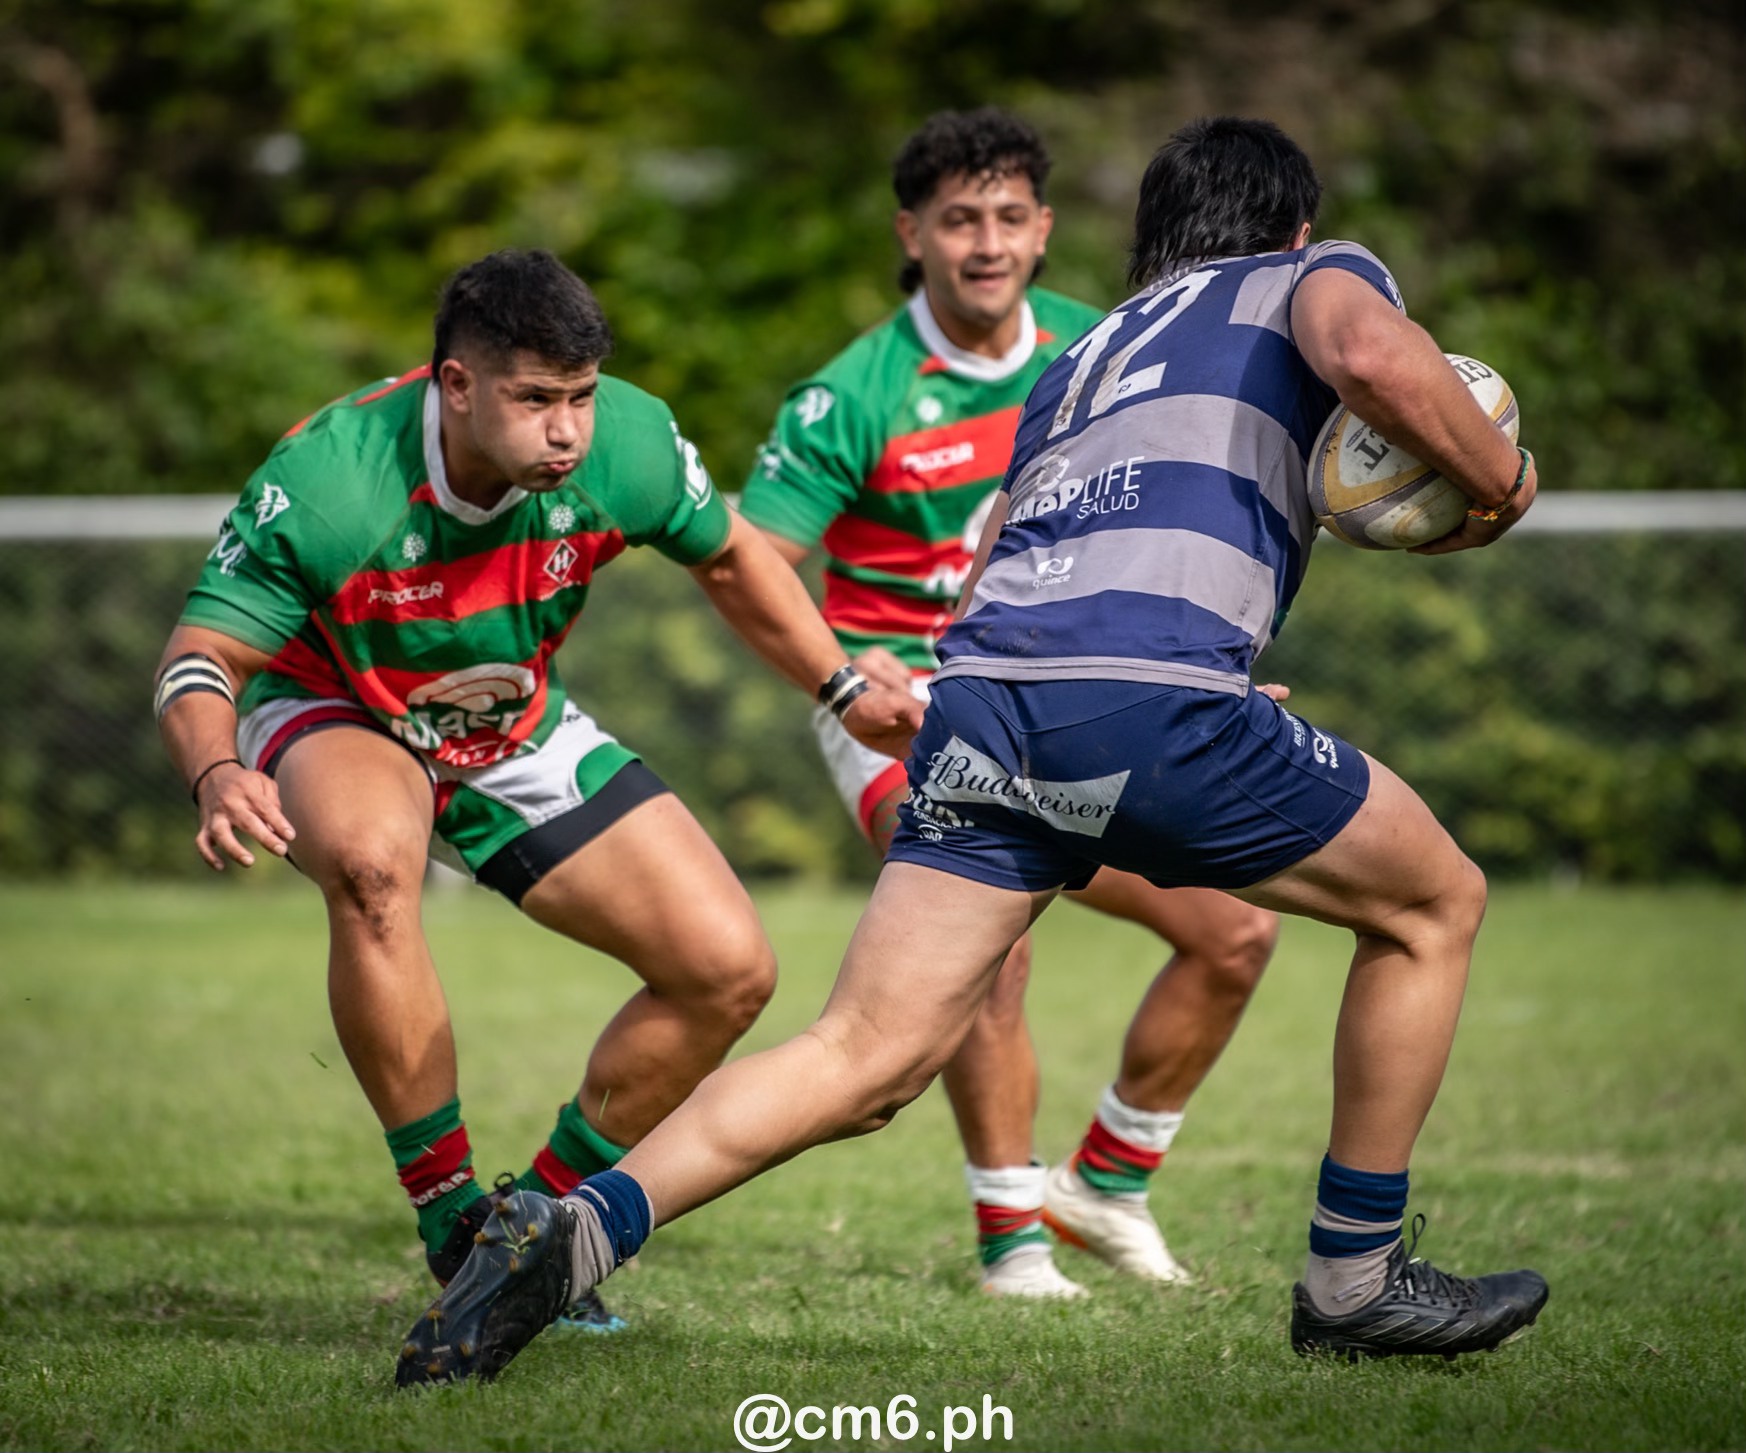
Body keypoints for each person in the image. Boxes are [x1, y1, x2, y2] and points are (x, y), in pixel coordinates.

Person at [397, 117, 1550, 1387]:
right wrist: (1499, 481)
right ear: (1291, 224)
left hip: (986, 695)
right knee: (1436, 904)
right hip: (1141, 697)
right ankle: (1355, 1279)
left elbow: (1009, 533)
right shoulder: (1312, 272)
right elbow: (1373, 356)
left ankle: (569, 1231)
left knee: (861, 1052)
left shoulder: (1087, 350)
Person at [153, 248, 921, 1334]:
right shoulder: (335, 482)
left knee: (726, 970)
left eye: (581, 397)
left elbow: (733, 558)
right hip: (337, 703)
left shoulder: (631, 442)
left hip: (507, 718)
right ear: (455, 387)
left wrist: (842, 686)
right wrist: (217, 765)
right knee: (374, 865)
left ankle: (530, 1231)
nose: (567, 429)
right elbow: (199, 658)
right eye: (535, 400)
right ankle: (451, 1215)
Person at [739, 107, 1278, 1299]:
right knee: (993, 942)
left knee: (1235, 931)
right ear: (913, 234)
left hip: (1065, 691)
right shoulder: (851, 397)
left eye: (1009, 216)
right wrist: (844, 671)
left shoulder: (1104, 349)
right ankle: (1009, 1242)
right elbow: (757, 562)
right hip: (901, 714)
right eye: (958, 218)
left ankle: (1108, 1181)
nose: (986, 241)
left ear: (1042, 231)